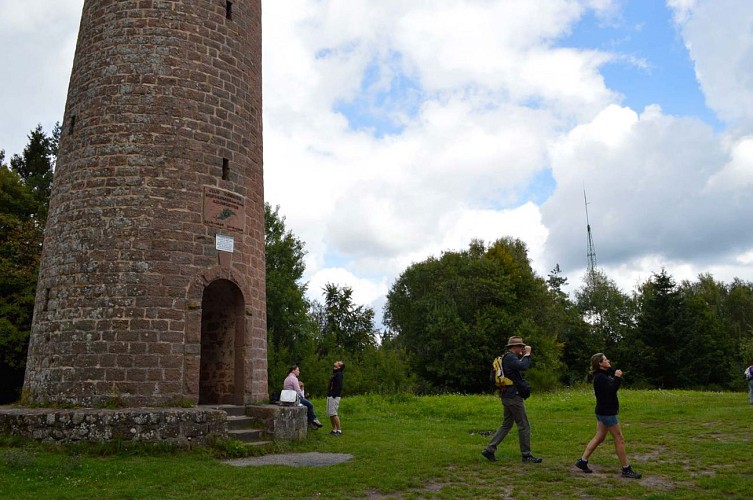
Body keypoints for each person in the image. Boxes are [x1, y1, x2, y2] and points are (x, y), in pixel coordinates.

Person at [575, 353, 641, 479]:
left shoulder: (602, 374)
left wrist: (611, 370)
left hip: (601, 411)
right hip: (607, 413)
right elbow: (611, 391)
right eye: (605, 360)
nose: (608, 360)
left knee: (599, 437)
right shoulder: (601, 378)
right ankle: (626, 469)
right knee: (619, 439)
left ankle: (582, 461)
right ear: (600, 363)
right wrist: (617, 378)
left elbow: (611, 371)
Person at [481, 336, 542, 464]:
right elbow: (523, 366)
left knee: (507, 424)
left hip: (507, 395)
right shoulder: (510, 357)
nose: (522, 348)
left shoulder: (506, 358)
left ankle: (490, 449)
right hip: (513, 396)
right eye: (521, 346)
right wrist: (528, 354)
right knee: (524, 425)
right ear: (514, 347)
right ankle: (526, 455)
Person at [326, 360, 345, 436]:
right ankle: (334, 429)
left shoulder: (339, 374)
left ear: (339, 366)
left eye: (338, 362)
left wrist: (333, 395)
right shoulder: (335, 373)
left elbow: (339, 386)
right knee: (331, 413)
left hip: (335, 396)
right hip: (330, 395)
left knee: (334, 413)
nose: (336, 362)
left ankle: (339, 430)